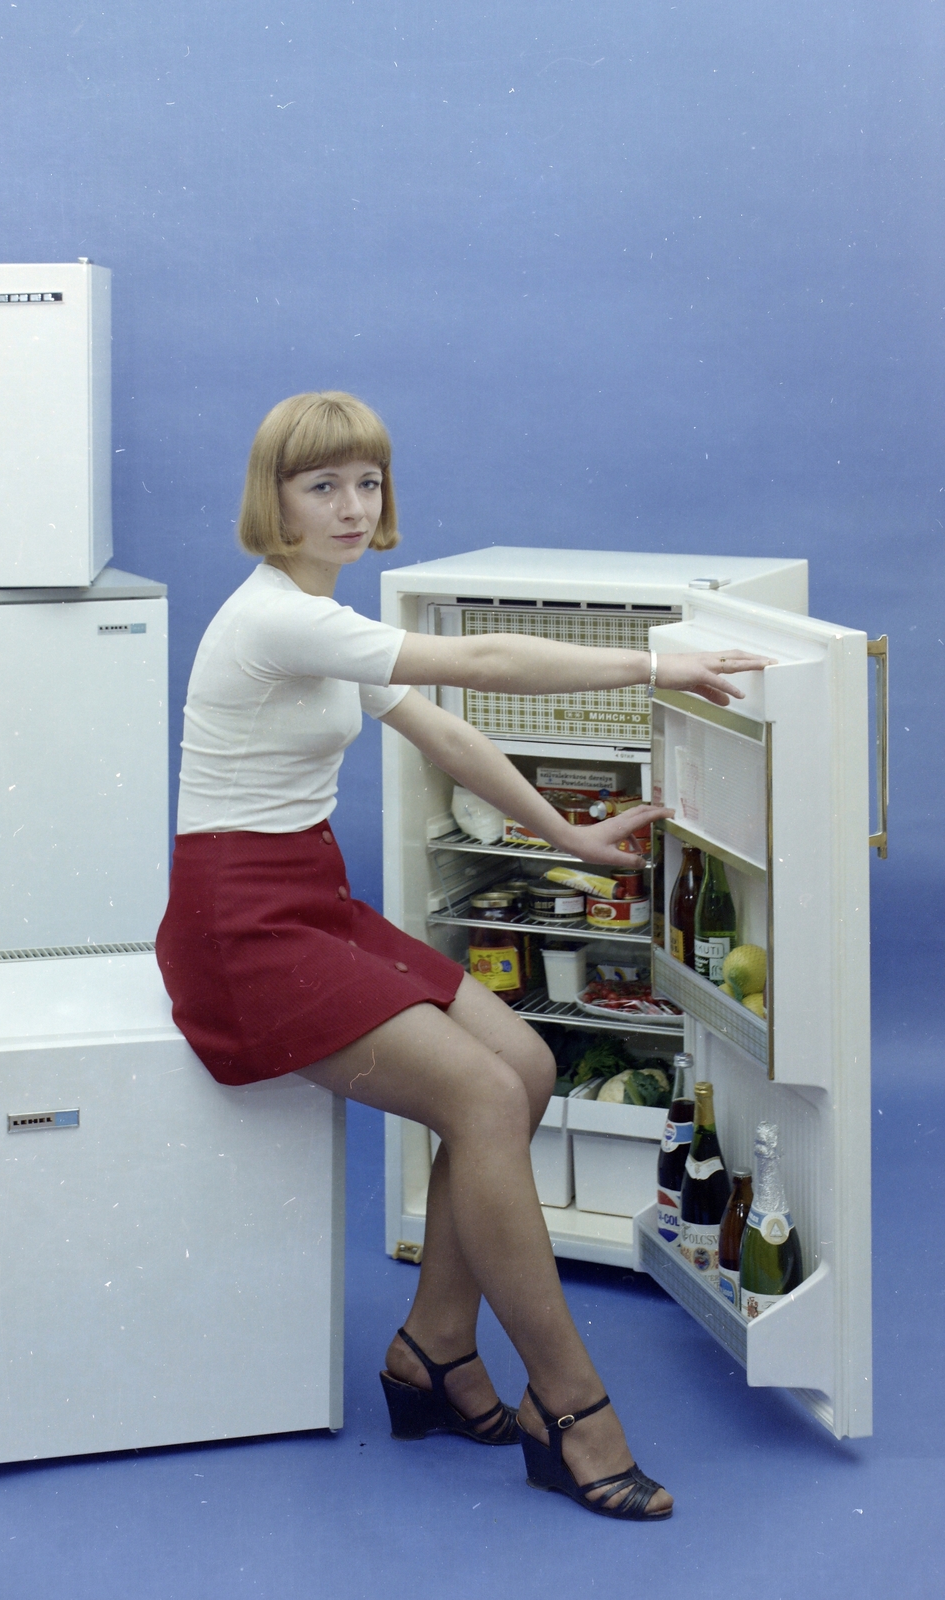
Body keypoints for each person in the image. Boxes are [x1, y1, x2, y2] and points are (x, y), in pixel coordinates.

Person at [156, 391, 771, 1522]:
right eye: (321, 485)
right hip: (236, 926)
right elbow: (480, 657)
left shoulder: (317, 613)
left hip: (302, 892)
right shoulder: (275, 619)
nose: (351, 507)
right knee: (487, 1099)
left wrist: (569, 832)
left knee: (525, 1065)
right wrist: (651, 667)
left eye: (367, 482)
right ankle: (569, 1402)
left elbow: (442, 727)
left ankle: (433, 1352)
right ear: (272, 499)